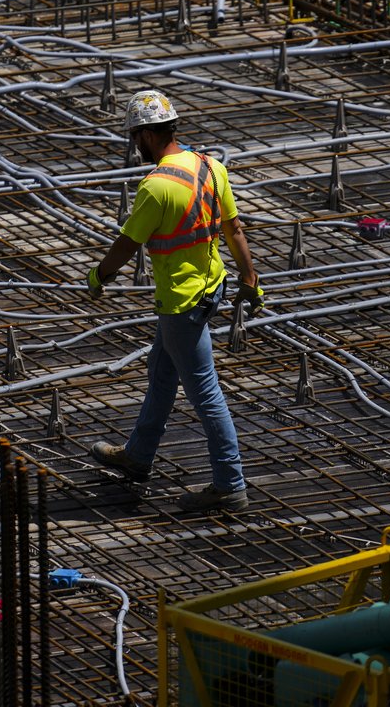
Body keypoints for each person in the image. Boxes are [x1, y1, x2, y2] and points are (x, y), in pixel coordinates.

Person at [85, 90, 263, 512]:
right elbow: (234, 229)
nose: (134, 145)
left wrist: (99, 277)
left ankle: (230, 483)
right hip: (211, 286)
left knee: (205, 391)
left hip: (180, 303)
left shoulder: (156, 187)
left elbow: (127, 244)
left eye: (135, 137)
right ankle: (138, 455)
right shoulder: (210, 166)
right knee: (162, 373)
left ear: (147, 134)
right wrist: (251, 279)